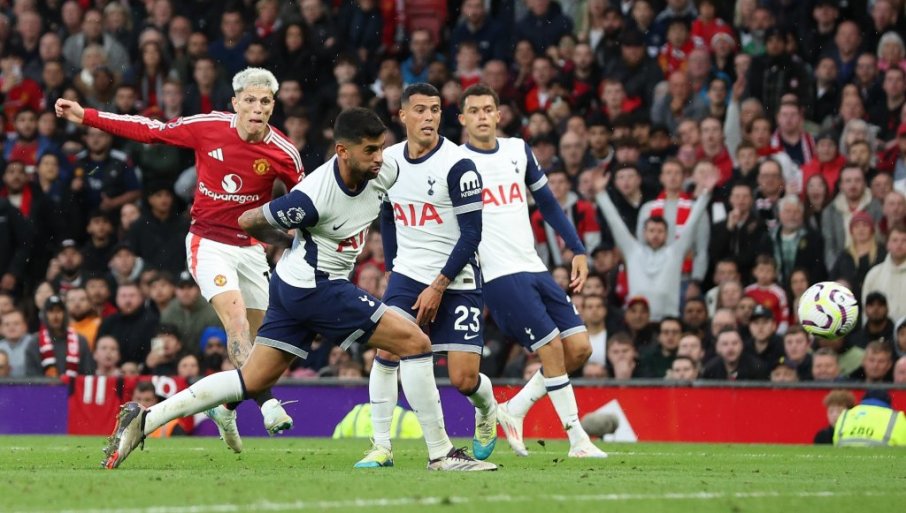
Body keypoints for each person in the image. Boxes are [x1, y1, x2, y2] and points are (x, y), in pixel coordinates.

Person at [102, 108, 496, 472]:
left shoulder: (385, 169)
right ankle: (441, 454)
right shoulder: (313, 197)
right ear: (343, 151)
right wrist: (290, 239)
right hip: (317, 287)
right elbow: (249, 220)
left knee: (251, 380)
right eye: (370, 150)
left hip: (293, 286)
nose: (380, 158)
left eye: (381, 147)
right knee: (415, 342)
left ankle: (144, 419)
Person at [56, 67, 301, 444]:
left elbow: (307, 204)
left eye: (265, 101)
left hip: (253, 250)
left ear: (273, 106)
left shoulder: (283, 151)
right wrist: (86, 115)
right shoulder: (208, 127)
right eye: (250, 100)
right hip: (209, 244)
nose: (257, 108)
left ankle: (225, 407)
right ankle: (268, 403)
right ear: (235, 103)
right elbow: (149, 130)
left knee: (268, 344)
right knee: (236, 324)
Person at [457, 84, 604, 458]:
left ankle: (514, 408)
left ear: (499, 115)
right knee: (551, 348)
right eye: (473, 111)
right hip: (498, 275)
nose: (482, 116)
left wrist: (578, 249)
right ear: (462, 119)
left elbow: (549, 203)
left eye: (487, 109)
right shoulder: (455, 163)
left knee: (579, 349)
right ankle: (577, 439)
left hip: (534, 266)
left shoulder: (517, 150)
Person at [359, 83, 498, 468]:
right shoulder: (388, 162)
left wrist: (439, 285)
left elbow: (472, 234)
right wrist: (393, 268)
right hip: (407, 276)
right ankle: (381, 446)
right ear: (402, 115)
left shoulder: (458, 165)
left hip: (457, 278)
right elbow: (387, 213)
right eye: (420, 110)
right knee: (387, 349)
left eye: (435, 110)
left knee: (464, 380)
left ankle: (487, 409)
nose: (429, 117)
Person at [597, 164, 717, 321]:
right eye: (651, 231)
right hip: (638, 319)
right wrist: (600, 194)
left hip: (668, 321)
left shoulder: (674, 253)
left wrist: (706, 194)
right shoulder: (633, 251)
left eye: (660, 231)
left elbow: (692, 223)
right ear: (644, 232)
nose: (655, 235)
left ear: (667, 234)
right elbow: (615, 222)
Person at [834, 389, 906, 446]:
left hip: (845, 451)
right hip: (883, 454)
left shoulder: (847, 413)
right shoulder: (896, 417)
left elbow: (836, 440)